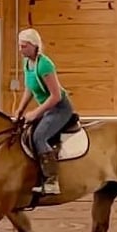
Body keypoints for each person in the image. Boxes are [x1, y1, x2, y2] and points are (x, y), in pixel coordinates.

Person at [14, 28, 75, 195]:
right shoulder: (27, 63)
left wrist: (35, 113)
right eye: (20, 46)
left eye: (24, 46)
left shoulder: (45, 64)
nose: (21, 50)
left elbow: (55, 96)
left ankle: (52, 180)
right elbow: (30, 88)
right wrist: (21, 109)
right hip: (46, 109)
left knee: (39, 136)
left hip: (59, 108)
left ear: (34, 46)